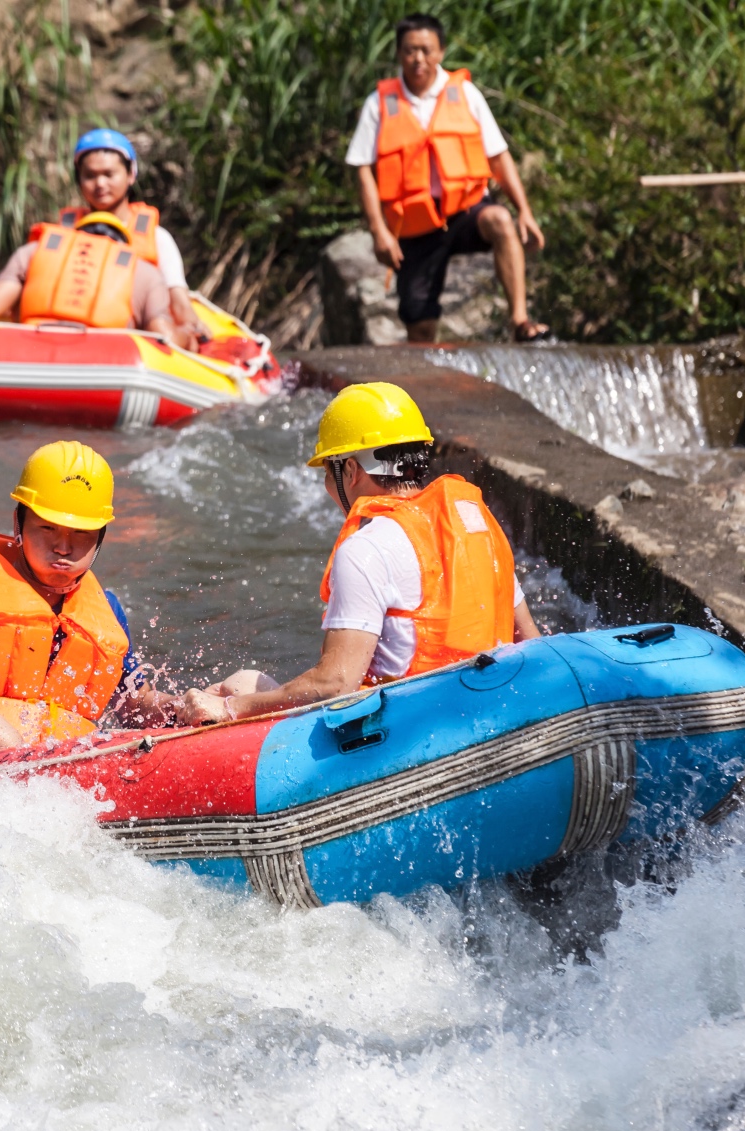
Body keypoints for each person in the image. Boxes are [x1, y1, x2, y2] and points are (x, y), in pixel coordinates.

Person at [177, 382, 540, 725]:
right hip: (491, 709)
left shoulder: (366, 549)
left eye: (327, 472)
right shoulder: (475, 524)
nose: (325, 486)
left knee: (240, 684)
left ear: (350, 470)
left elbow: (334, 684)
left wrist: (230, 706)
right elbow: (531, 643)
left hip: (402, 733)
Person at [0, 440, 176, 751]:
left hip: (65, 763)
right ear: (18, 524)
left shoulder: (108, 610)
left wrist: (183, 706)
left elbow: (136, 708)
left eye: (80, 533)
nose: (63, 547)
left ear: (101, 536)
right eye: (47, 528)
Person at [343, 12, 550, 343]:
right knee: (419, 324)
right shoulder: (379, 104)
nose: (418, 59)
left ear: (441, 52)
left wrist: (523, 210)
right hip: (414, 224)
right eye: (410, 50)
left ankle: (520, 320)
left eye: (426, 50)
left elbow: (498, 157)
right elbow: (363, 170)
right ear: (399, 54)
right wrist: (379, 231)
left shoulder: (465, 94)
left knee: (499, 219)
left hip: (466, 209)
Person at [57, 128, 209, 348]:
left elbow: (179, 305)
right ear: (78, 179)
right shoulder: (61, 237)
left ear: (130, 174)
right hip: (65, 336)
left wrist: (191, 331)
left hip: (137, 344)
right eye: (90, 175)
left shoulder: (157, 239)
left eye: (109, 174)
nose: (100, 184)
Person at [0, 211, 185, 347]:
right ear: (123, 243)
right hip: (111, 362)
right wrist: (187, 337)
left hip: (32, 349)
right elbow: (164, 336)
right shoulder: (144, 270)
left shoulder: (33, 251)